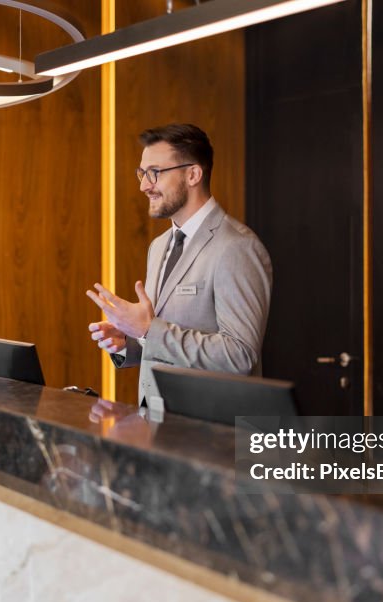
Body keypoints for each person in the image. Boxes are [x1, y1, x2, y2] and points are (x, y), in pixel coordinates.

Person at [87, 123, 272, 405]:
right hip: (158, 422)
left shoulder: (237, 247)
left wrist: (148, 330)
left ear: (193, 174)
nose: (144, 185)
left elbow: (240, 355)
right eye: (142, 173)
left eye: (154, 173)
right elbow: (164, 338)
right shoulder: (160, 246)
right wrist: (132, 342)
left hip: (211, 433)